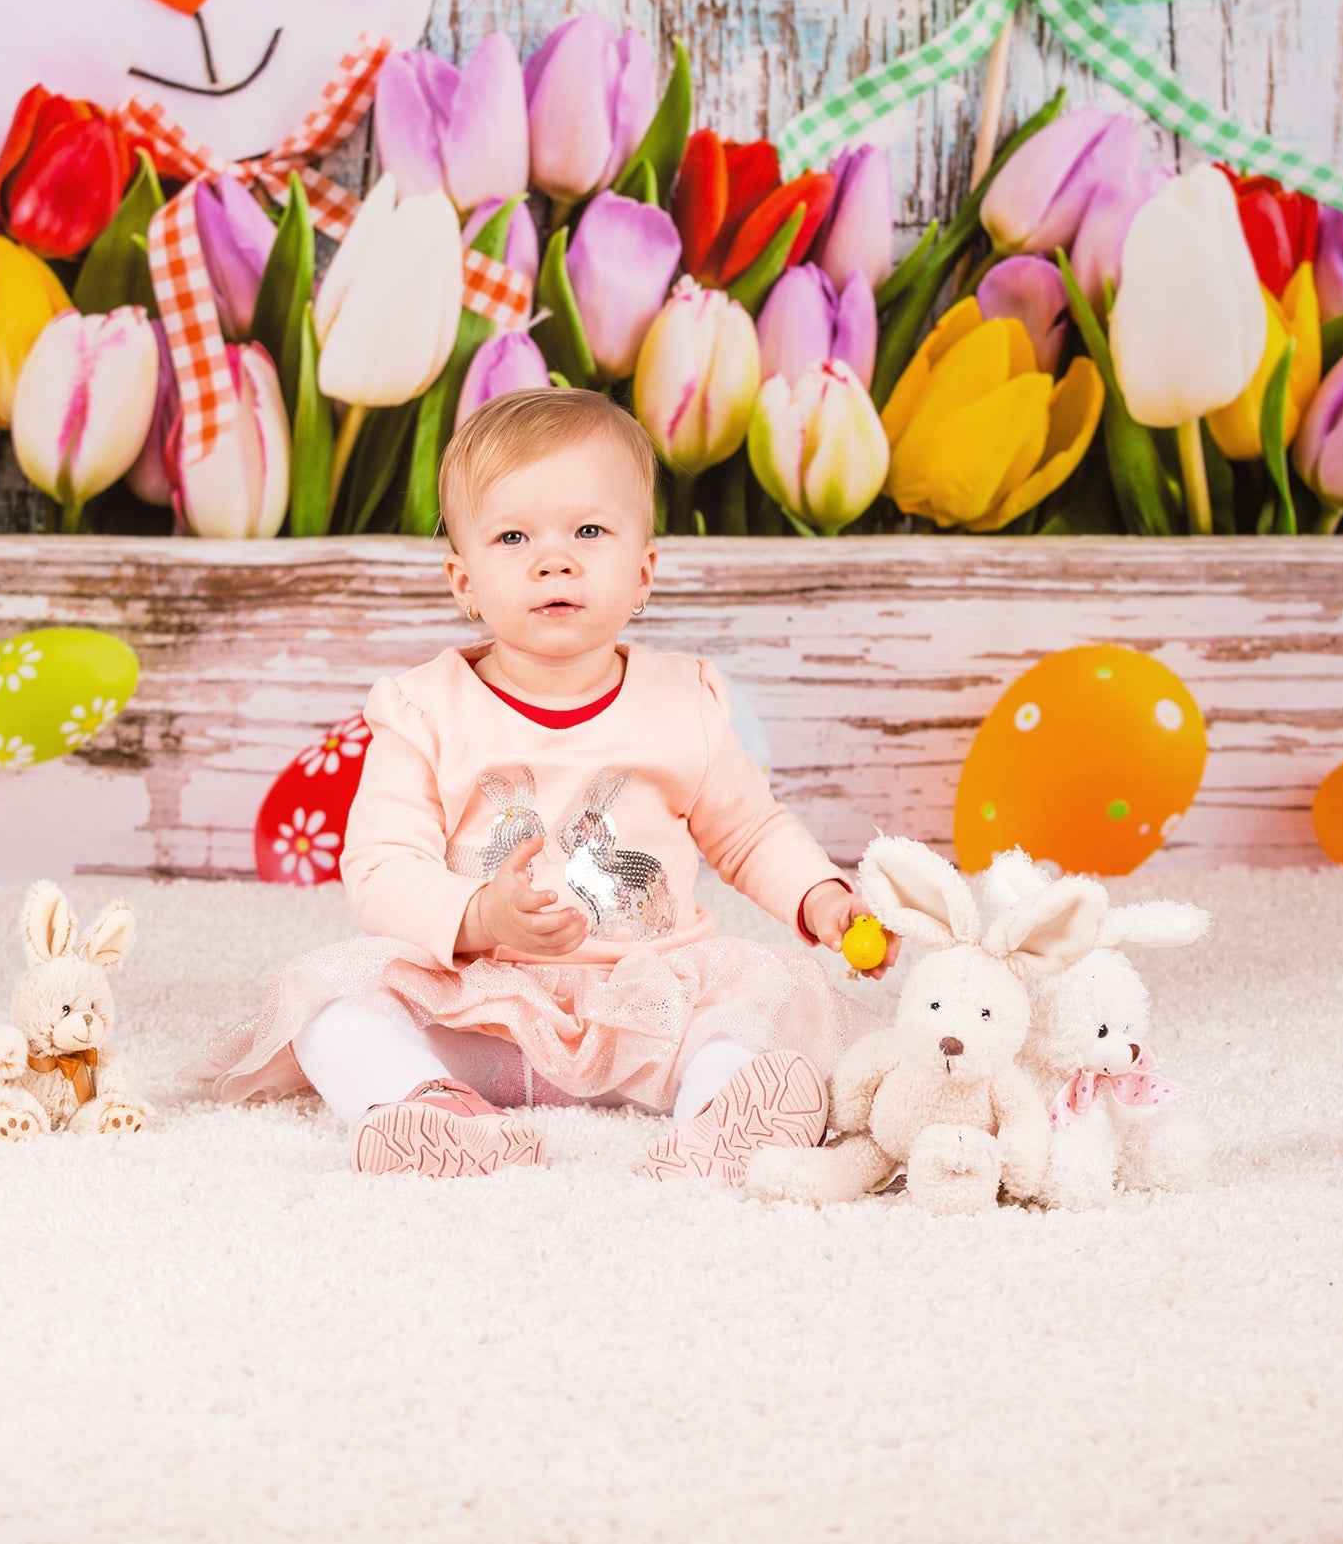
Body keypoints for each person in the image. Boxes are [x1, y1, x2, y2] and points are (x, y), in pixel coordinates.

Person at [198, 387, 896, 1182]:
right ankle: (432, 1108)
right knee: (326, 1003)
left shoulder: (683, 702)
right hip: (481, 1011)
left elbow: (750, 831)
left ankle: (720, 1115)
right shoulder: (423, 708)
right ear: (464, 582)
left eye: (589, 531)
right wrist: (479, 913)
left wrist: (820, 896)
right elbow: (380, 869)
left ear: (643, 572)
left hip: (647, 1005)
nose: (553, 559)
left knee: (759, 1002)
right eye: (513, 536)